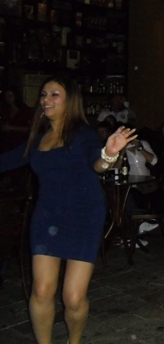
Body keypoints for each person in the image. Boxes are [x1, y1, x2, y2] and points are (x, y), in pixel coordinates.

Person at [0, 75, 135, 344]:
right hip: (47, 217)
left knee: (73, 298)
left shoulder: (83, 135)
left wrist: (109, 154)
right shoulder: (38, 138)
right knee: (42, 290)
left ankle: (74, 341)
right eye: (43, 95)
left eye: (54, 94)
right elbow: (8, 160)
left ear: (70, 100)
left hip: (84, 217)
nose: (46, 100)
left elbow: (98, 164)